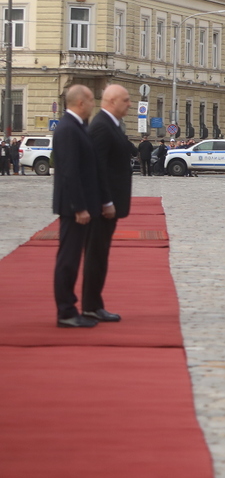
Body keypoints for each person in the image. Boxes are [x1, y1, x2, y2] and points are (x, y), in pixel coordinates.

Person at [51, 84, 103, 328]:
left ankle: (69, 308)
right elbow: (70, 173)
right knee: (68, 259)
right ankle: (66, 311)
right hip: (73, 207)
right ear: (80, 103)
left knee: (72, 258)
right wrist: (79, 207)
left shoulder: (77, 127)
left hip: (79, 205)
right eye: (92, 100)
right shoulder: (68, 129)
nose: (94, 104)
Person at [85, 84, 133, 324]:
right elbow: (98, 168)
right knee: (96, 255)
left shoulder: (112, 124)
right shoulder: (102, 126)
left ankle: (94, 304)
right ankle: (91, 306)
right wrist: (106, 201)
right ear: (112, 101)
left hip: (110, 203)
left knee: (100, 255)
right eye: (125, 100)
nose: (130, 104)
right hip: (103, 206)